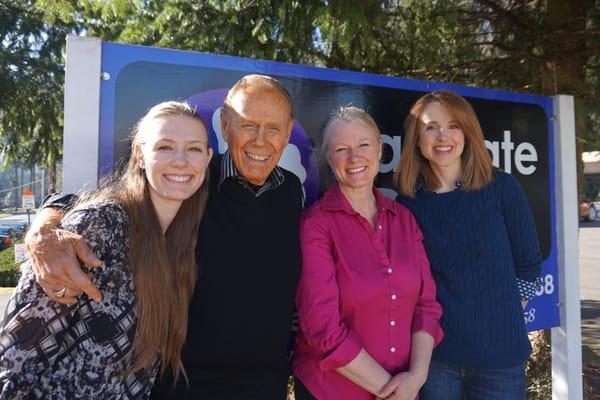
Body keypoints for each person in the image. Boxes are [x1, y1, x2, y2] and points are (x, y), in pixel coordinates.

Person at [23, 74, 304, 400]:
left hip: (265, 387)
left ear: (287, 134)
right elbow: (104, 202)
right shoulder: (193, 180)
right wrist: (44, 229)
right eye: (248, 125)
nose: (260, 140)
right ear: (225, 126)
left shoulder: (292, 191)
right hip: (183, 386)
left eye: (273, 128)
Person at [0, 101, 213, 399]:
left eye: (193, 149)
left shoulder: (182, 242)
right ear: (139, 154)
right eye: (164, 147)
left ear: (207, 158)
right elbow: (14, 359)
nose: (180, 160)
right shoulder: (101, 224)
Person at [394, 90, 542, 400]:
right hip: (436, 361)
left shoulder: (502, 189)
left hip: (499, 361)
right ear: (417, 139)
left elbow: (528, 267)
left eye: (453, 125)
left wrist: (502, 320)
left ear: (467, 132)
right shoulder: (410, 205)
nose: (442, 136)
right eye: (431, 127)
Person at [293, 106, 443, 400]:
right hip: (331, 391)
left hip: (405, 388)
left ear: (379, 149)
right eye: (341, 149)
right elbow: (322, 329)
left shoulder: (404, 219)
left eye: (363, 145)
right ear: (329, 158)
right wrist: (392, 392)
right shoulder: (315, 224)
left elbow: (426, 306)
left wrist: (416, 378)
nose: (354, 157)